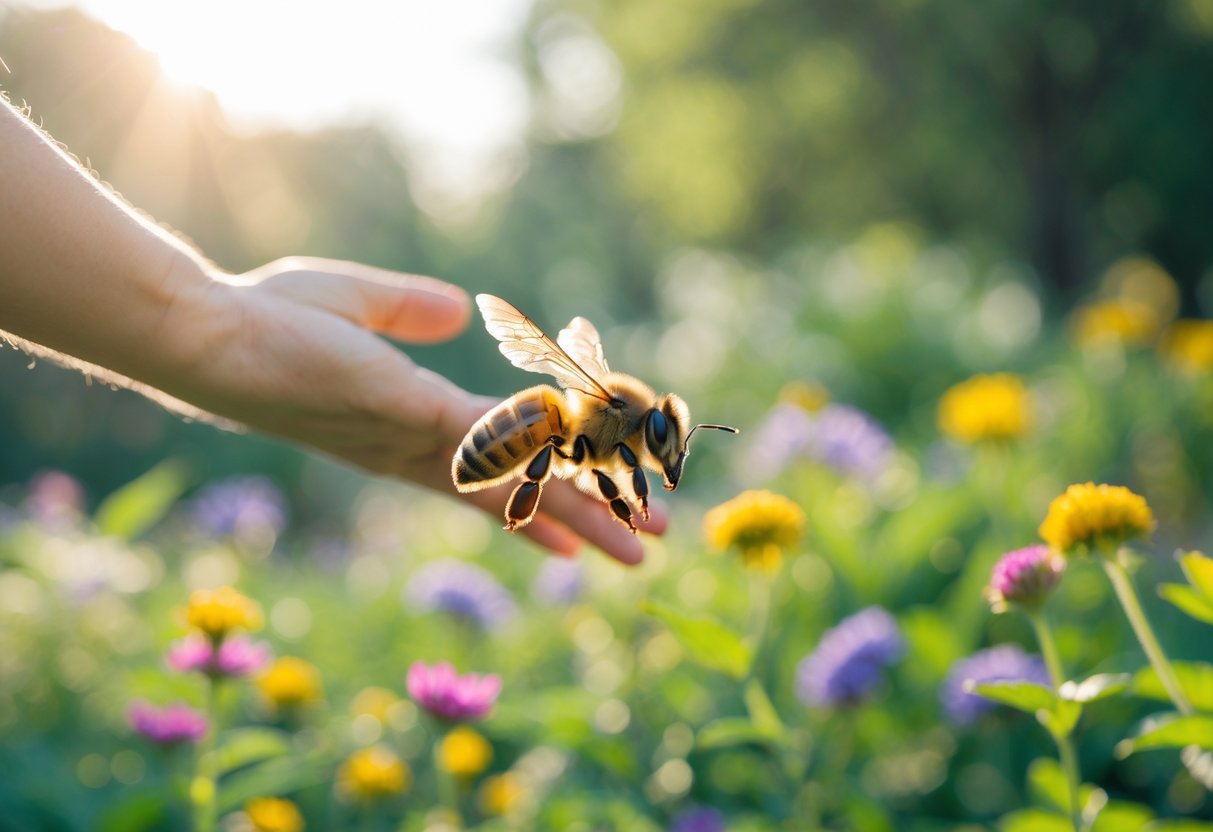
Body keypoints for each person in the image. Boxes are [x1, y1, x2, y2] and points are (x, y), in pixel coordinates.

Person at [0, 98, 665, 564]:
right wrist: (205, 325)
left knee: (557, 443)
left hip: (535, 432)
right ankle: (528, 491)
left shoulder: (612, 431)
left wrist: (205, 325)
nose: (657, 453)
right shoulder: (608, 421)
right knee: (548, 439)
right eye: (658, 443)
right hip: (532, 431)